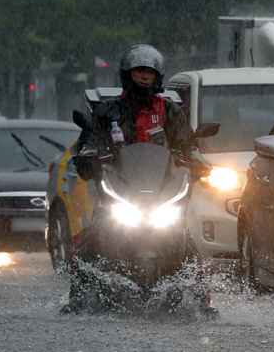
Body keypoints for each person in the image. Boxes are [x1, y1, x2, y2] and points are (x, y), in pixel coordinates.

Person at [62, 44, 215, 315]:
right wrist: (88, 153)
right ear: (127, 74)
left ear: (158, 77)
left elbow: (186, 143)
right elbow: (90, 140)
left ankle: (204, 303)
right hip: (120, 192)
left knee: (186, 240)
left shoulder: (170, 111)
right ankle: (76, 297)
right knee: (91, 237)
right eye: (138, 71)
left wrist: (195, 158)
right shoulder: (108, 111)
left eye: (149, 72)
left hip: (162, 192)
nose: (144, 77)